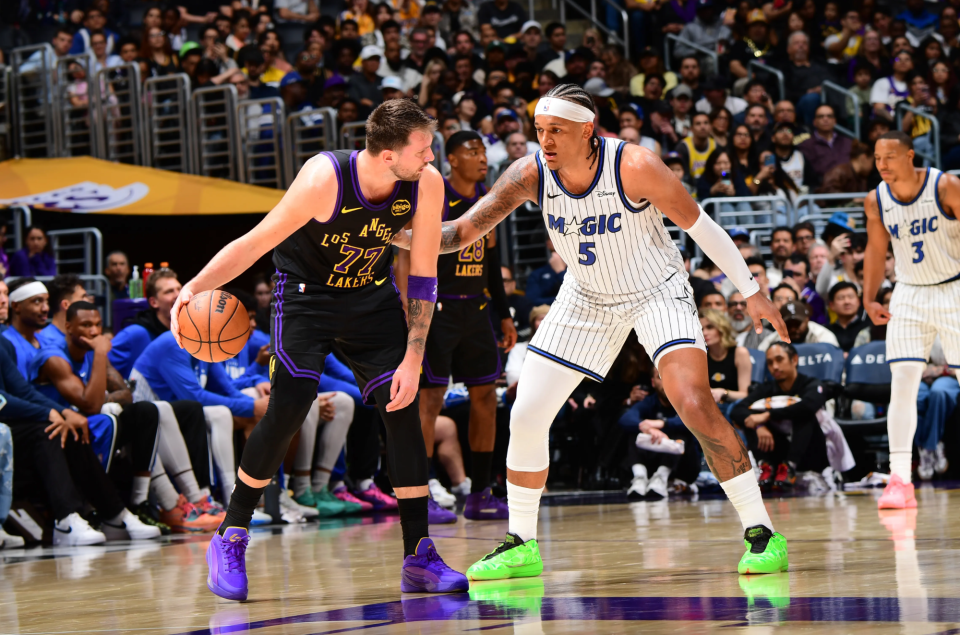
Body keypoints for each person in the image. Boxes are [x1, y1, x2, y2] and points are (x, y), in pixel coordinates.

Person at [394, 83, 791, 579]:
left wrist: (751, 290)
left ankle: (762, 532)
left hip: (655, 290)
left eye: (556, 130)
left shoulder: (635, 165)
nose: (545, 140)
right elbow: (460, 233)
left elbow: (700, 225)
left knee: (693, 403)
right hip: (586, 297)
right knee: (527, 412)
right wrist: (392, 232)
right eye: (540, 130)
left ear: (588, 130)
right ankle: (521, 542)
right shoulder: (529, 173)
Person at [168, 100, 465, 600]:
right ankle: (231, 533)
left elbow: (423, 274)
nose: (431, 157)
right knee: (290, 406)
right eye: (422, 149)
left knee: (402, 407)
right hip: (306, 297)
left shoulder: (426, 183)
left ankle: (419, 555)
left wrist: (414, 357)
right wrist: (193, 287)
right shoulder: (323, 179)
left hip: (371, 299)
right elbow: (254, 243)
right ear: (388, 155)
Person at [396, 131, 516, 522]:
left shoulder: (488, 199)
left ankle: (481, 492)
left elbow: (491, 263)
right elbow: (405, 252)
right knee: (430, 400)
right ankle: (423, 494)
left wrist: (504, 314)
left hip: (476, 309)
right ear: (451, 159)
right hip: (437, 307)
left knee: (486, 398)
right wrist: (407, 306)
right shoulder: (434, 193)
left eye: (483, 151)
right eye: (472, 151)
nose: (481, 158)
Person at [862, 132, 960, 510]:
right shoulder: (877, 199)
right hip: (908, 293)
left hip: (953, 288)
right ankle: (900, 479)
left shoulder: (945, 186)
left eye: (889, 156)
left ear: (909, 156)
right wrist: (870, 297)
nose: (882, 164)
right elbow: (876, 249)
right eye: (877, 158)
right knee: (902, 384)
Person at [731, 342, 830, 491]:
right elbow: (737, 410)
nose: (775, 367)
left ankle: (789, 466)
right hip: (776, 448)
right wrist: (759, 425)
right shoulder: (766, 389)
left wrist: (768, 415)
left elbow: (809, 406)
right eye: (770, 363)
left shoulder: (812, 384)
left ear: (794, 359)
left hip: (811, 449)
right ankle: (766, 467)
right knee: (751, 418)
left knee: (803, 414)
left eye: (779, 360)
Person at [700, 309, 751, 412]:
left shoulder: (740, 353)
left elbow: (745, 394)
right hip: (709, 408)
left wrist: (723, 393)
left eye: (710, 327)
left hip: (735, 409)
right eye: (701, 329)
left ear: (721, 328)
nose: (704, 333)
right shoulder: (700, 356)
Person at [759, 301, 839, 351]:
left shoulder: (822, 335)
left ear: (807, 320)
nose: (793, 329)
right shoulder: (772, 340)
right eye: (788, 325)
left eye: (797, 324)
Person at [827, 281, 867, 352]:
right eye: (841, 298)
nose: (847, 301)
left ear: (858, 302)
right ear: (831, 305)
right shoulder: (825, 331)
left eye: (851, 297)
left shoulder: (868, 328)